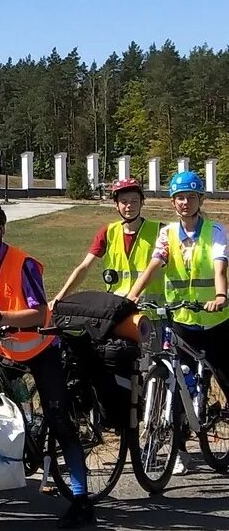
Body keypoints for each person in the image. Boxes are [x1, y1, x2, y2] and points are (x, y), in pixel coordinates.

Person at [0, 201, 94, 528]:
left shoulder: (23, 263)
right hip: (1, 350)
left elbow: (40, 313)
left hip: (40, 348)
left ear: (3, 230)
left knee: (59, 421)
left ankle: (82, 501)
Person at [125, 171, 229, 476]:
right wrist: (130, 297)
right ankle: (179, 449)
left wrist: (221, 294)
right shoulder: (167, 234)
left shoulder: (216, 231)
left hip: (215, 320)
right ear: (173, 202)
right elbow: (154, 265)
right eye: (180, 197)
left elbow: (220, 267)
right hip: (181, 320)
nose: (185, 202)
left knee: (226, 378)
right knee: (176, 382)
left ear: (201, 200)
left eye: (191, 197)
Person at [54, 178, 166, 342]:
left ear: (142, 203)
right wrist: (60, 297)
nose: (129, 206)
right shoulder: (108, 232)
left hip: (151, 314)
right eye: (124, 201)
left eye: (135, 201)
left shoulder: (160, 231)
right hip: (117, 313)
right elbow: (84, 267)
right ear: (116, 205)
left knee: (157, 363)